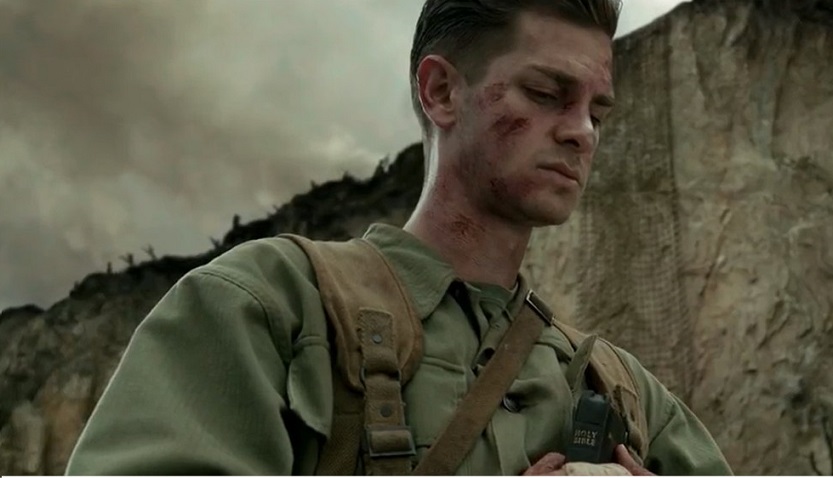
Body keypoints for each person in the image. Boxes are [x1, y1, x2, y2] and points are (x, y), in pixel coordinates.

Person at [66, 0, 733, 475]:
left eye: (597, 112)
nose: (581, 131)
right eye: (544, 93)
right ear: (441, 92)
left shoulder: (625, 393)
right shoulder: (269, 307)